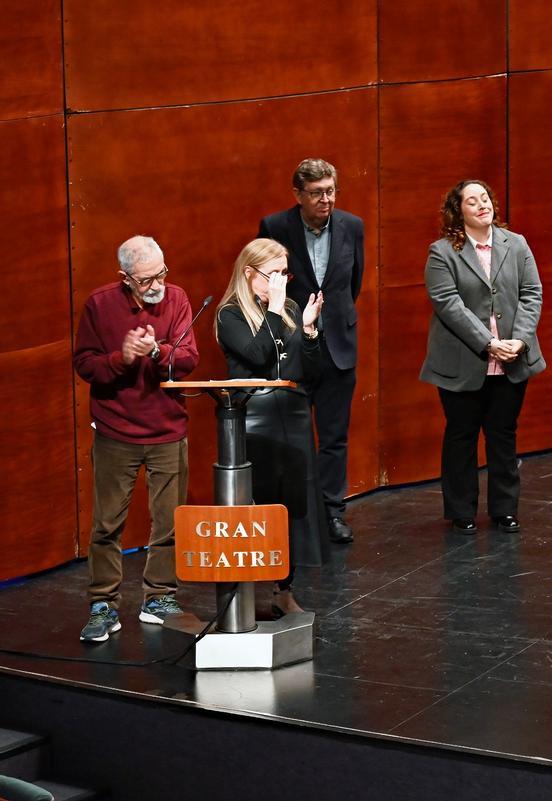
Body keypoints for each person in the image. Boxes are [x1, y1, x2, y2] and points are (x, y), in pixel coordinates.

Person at [73, 236, 198, 642]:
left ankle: (159, 596)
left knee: (169, 522)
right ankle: (103, 604)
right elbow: (85, 363)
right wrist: (122, 358)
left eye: (161, 273)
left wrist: (158, 353)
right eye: (145, 280)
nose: (156, 284)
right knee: (107, 524)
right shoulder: (99, 304)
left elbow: (189, 358)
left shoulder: (177, 298)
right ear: (124, 278)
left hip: (167, 430)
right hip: (116, 432)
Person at [420, 179, 545, 534]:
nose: (481, 204)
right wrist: (489, 342)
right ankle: (461, 510)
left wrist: (519, 341)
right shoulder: (442, 252)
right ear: (458, 211)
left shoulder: (516, 244)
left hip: (513, 358)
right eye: (471, 201)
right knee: (462, 434)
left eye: (485, 198)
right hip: (463, 360)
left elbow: (532, 293)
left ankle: (505, 509)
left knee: (503, 434)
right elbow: (448, 305)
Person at [215, 239, 325, 616]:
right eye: (272, 274)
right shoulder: (230, 315)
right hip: (255, 419)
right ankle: (247, 591)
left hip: (292, 416)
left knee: (290, 505)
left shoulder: (291, 308)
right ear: (249, 274)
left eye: (284, 273)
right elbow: (259, 355)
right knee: (258, 505)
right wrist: (274, 312)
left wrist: (309, 332)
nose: (280, 281)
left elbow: (309, 370)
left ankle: (284, 589)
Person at [258, 158, 364, 545]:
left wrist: (329, 322)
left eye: (331, 191)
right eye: (317, 193)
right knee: (292, 438)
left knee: (335, 438)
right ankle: (296, 517)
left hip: (338, 345)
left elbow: (353, 284)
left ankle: (333, 513)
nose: (326, 200)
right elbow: (266, 283)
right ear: (298, 195)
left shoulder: (352, 226)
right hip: (293, 346)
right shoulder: (276, 227)